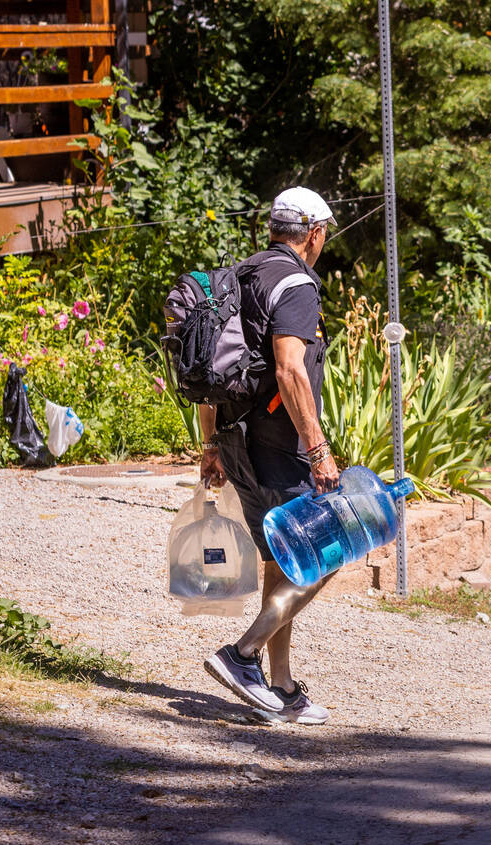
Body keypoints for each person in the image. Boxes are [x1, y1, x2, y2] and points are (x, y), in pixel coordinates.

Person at [199, 186, 340, 724]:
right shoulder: (297, 284)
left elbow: (215, 372)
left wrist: (211, 444)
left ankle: (280, 688)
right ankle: (241, 655)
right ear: (314, 234)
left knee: (284, 561)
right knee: (327, 553)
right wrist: (318, 447)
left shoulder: (241, 275)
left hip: (236, 443)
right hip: (280, 447)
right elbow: (289, 370)